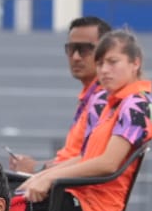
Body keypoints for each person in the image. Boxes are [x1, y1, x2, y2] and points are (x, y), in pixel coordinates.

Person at [19, 29, 152, 211]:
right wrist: (41, 176)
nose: (104, 70)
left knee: (11, 209)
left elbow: (108, 164)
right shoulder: (113, 105)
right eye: (100, 63)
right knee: (14, 197)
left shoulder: (136, 105)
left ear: (135, 63)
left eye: (113, 62)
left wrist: (49, 178)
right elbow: (85, 157)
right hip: (81, 198)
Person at [7, 15, 112, 176]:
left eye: (84, 49)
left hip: (69, 186)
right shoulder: (90, 97)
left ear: (106, 52)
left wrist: (36, 169)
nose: (76, 57)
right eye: (71, 49)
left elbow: (90, 160)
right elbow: (74, 158)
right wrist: (34, 167)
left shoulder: (103, 101)